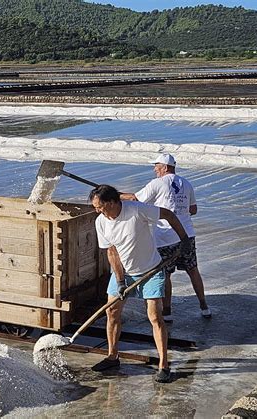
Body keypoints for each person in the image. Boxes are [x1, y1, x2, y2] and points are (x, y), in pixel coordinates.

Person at [89, 184, 191, 383]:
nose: (97, 210)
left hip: (151, 271)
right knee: (112, 312)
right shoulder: (101, 222)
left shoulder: (136, 210)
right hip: (123, 273)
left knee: (154, 316)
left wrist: (184, 239)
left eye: (99, 206)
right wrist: (119, 281)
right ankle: (112, 356)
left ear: (111, 202)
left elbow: (168, 215)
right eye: (95, 207)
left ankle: (163, 365)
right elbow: (112, 252)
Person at [121, 153, 211, 322]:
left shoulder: (157, 183)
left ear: (165, 167)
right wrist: (178, 208)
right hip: (187, 235)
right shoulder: (187, 183)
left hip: (165, 237)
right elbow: (193, 209)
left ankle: (167, 312)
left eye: (157, 166)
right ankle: (204, 306)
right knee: (193, 270)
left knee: (166, 274)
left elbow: (135, 198)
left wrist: (116, 195)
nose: (155, 169)